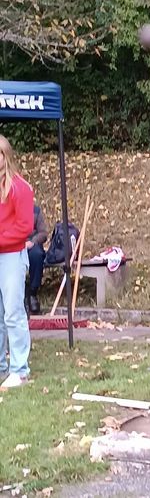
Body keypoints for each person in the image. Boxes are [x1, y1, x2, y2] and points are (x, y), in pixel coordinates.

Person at [0, 135, 34, 388]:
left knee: (13, 313)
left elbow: (24, 227)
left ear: (5, 156)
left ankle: (20, 370)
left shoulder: (20, 187)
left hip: (11, 256)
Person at [26, 203, 48, 315]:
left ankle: (32, 293)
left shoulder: (35, 210)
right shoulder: (9, 208)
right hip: (14, 244)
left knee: (37, 255)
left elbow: (43, 233)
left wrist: (33, 242)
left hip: (32, 244)